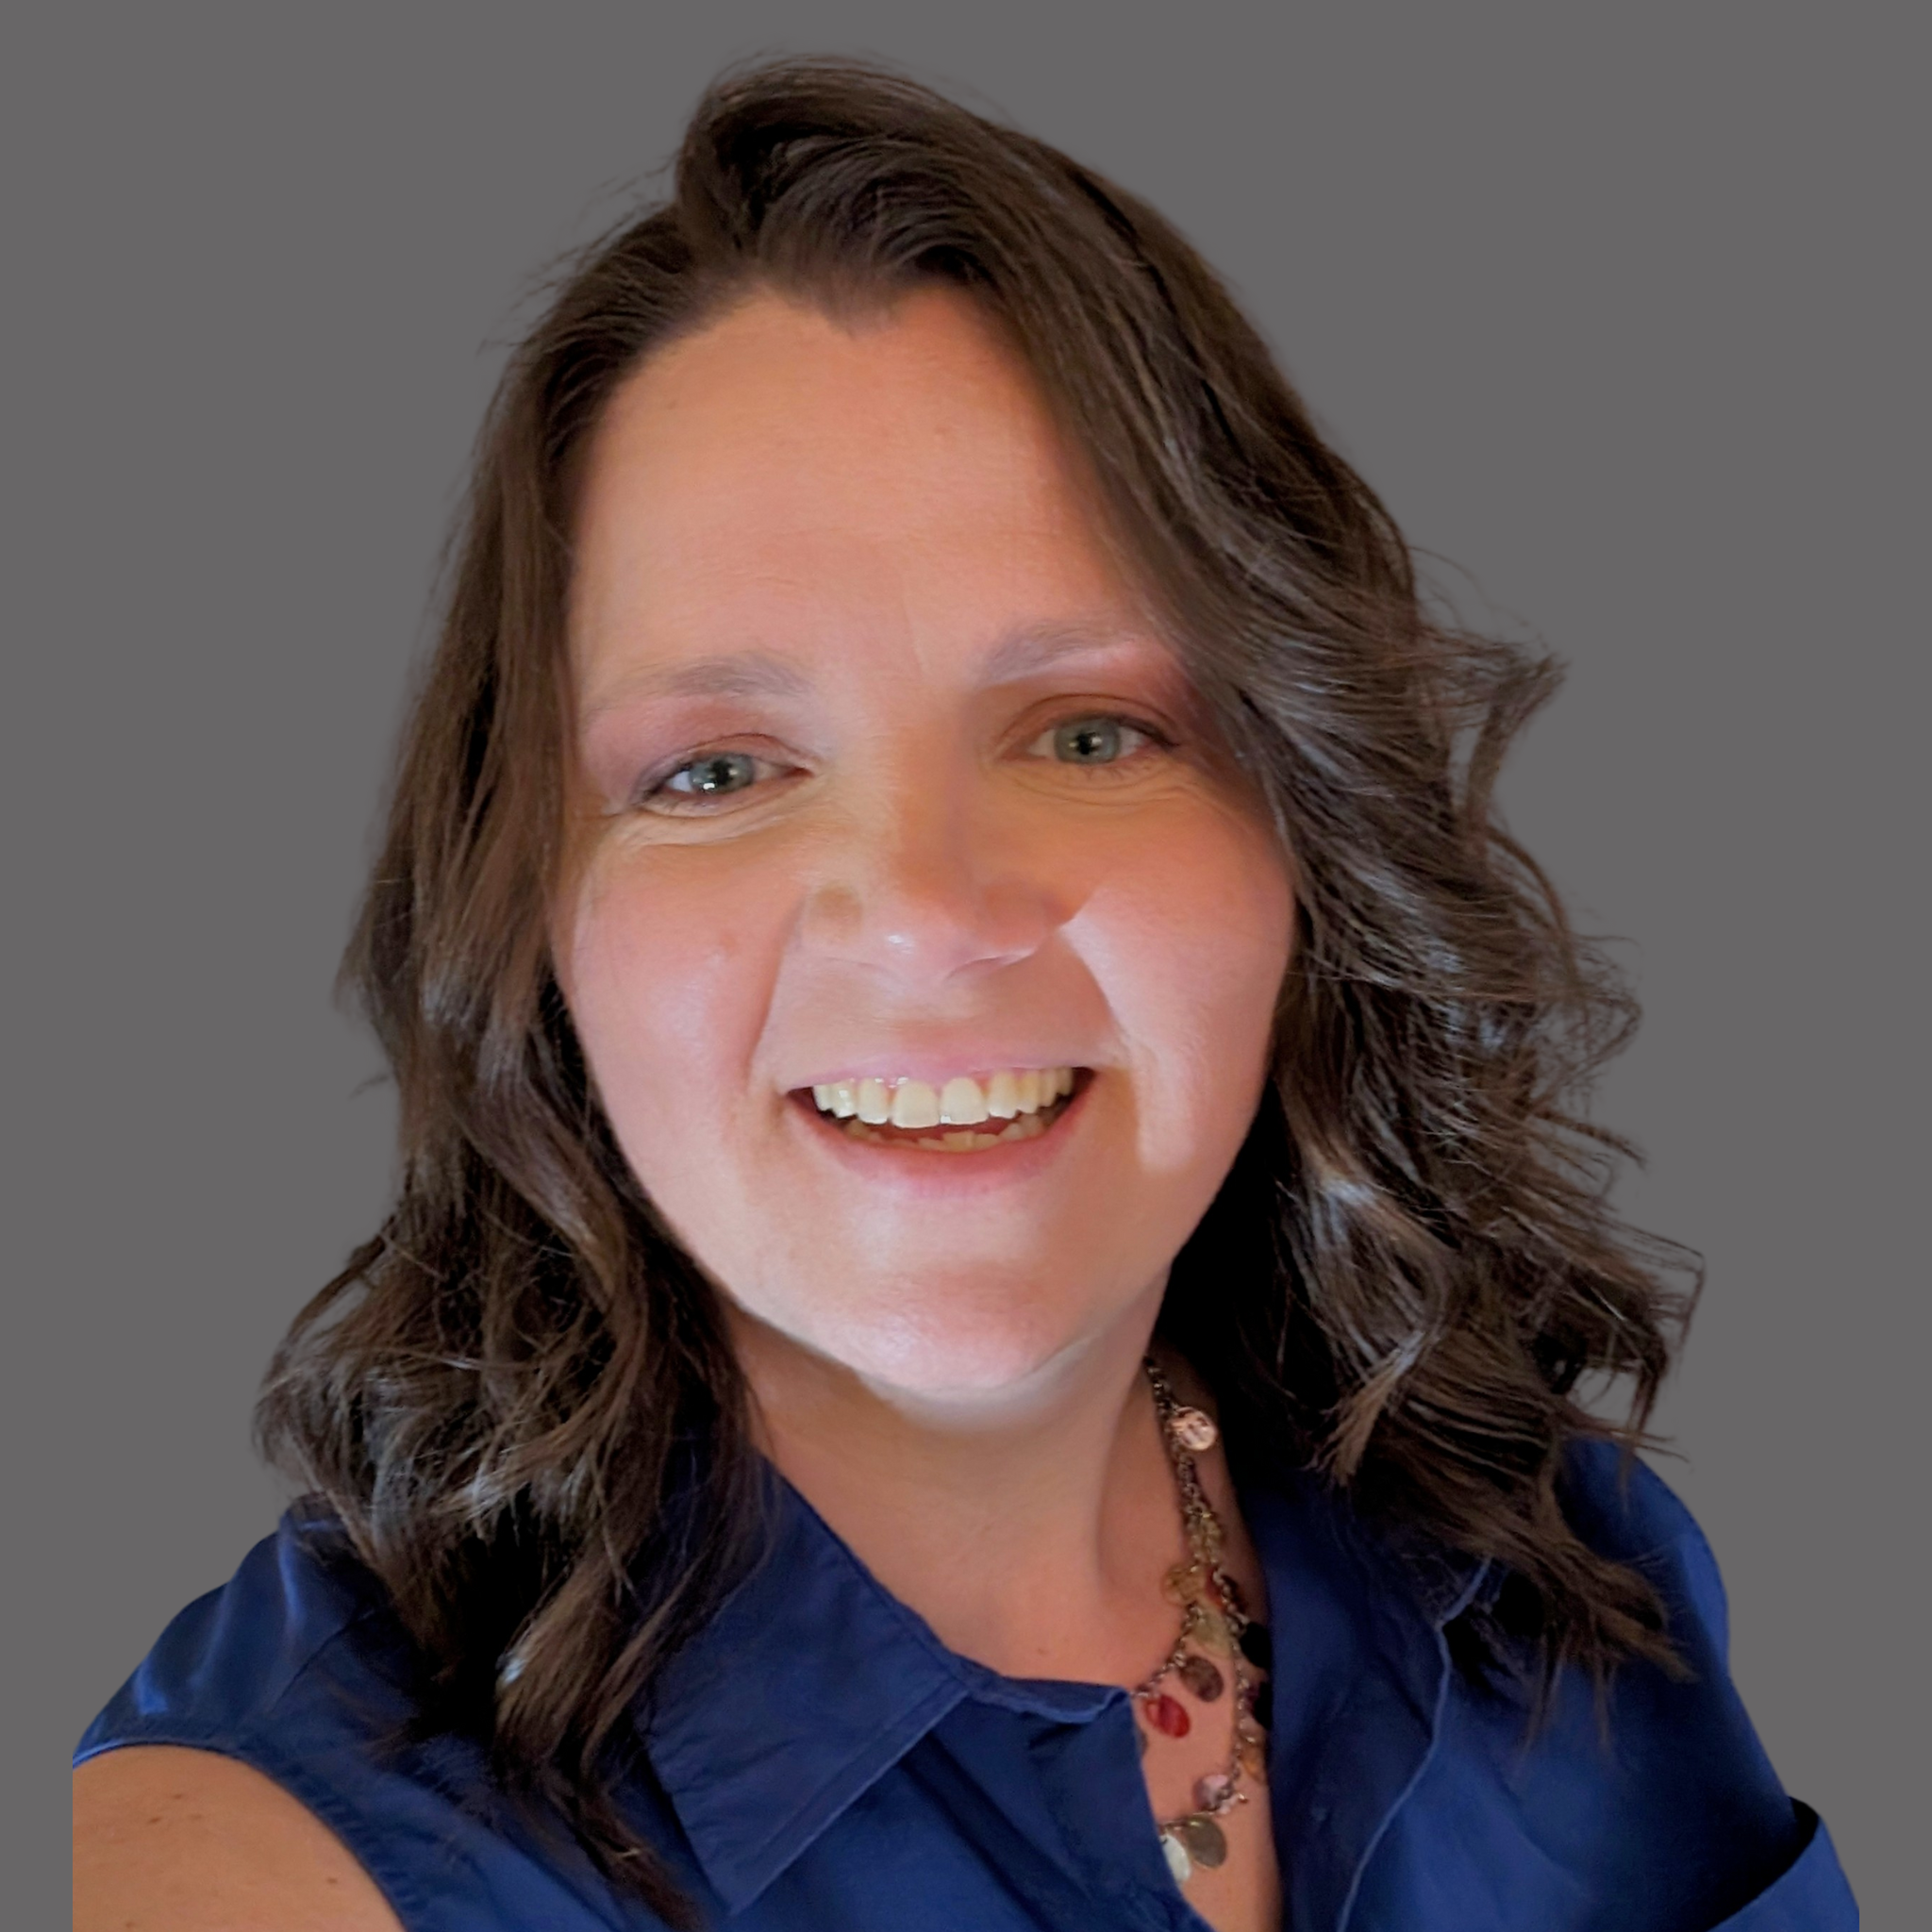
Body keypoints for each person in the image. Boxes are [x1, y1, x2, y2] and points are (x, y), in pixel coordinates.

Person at [71, 58, 1856, 1932]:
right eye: (716, 771)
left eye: (1090, 732)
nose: (927, 918)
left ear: (1308, 838)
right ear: (532, 925)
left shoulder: (1572, 1581)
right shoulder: (268, 1862)